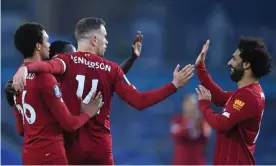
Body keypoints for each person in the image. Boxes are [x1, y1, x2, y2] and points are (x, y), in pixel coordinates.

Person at [12, 17, 195, 165]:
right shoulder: (111, 70)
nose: (106, 41)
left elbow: (46, 67)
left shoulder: (64, 61)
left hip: (70, 149)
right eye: (105, 36)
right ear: (94, 39)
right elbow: (140, 101)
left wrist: (25, 68)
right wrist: (173, 86)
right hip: (100, 150)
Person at [12, 22, 103, 165]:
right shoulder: (46, 79)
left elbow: (21, 129)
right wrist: (88, 113)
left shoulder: (16, 81)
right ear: (38, 46)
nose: (49, 45)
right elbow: (69, 124)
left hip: (28, 156)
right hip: (51, 155)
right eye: (47, 41)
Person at [195, 38, 272, 164]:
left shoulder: (249, 96)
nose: (229, 63)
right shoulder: (249, 92)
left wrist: (204, 105)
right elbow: (220, 97)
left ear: (246, 64)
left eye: (234, 59)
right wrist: (200, 68)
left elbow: (221, 123)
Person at [5, 39, 140, 107]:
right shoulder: (38, 79)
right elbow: (18, 102)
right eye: (71, 55)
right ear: (57, 57)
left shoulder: (79, 78)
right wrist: (9, 92)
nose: (76, 59)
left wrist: (132, 58)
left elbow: (111, 75)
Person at [170, 93, 211, 165]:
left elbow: (206, 135)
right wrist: (190, 124)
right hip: (180, 163)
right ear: (183, 106)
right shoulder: (176, 120)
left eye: (193, 105)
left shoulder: (203, 121)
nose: (190, 108)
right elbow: (176, 134)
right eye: (188, 104)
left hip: (198, 162)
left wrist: (197, 124)